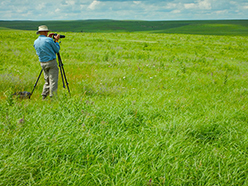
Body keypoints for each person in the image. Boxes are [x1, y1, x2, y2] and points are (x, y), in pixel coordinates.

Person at [33, 25, 61, 100]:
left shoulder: (35, 42)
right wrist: (56, 41)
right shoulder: (49, 40)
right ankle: (53, 97)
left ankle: (44, 96)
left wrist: (49, 38)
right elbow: (57, 50)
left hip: (42, 63)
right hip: (51, 62)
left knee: (47, 80)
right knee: (53, 80)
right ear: (45, 32)